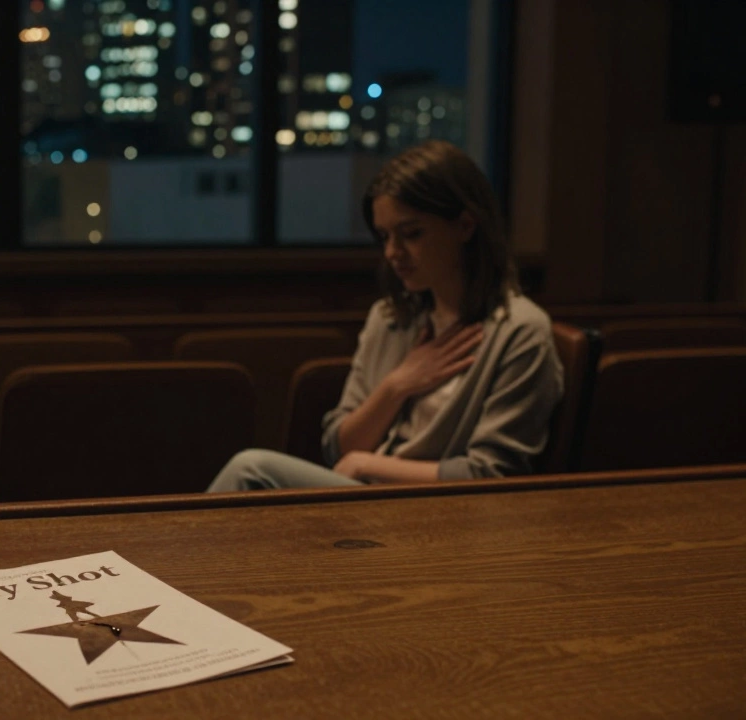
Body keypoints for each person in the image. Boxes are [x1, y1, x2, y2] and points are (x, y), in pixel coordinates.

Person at [208, 140, 563, 492]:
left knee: (250, 469)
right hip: (370, 496)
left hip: (443, 511)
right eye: (384, 236)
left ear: (465, 225)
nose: (393, 252)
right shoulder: (392, 317)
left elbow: (493, 474)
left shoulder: (520, 330)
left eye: (411, 234)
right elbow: (339, 446)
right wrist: (397, 385)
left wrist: (370, 464)